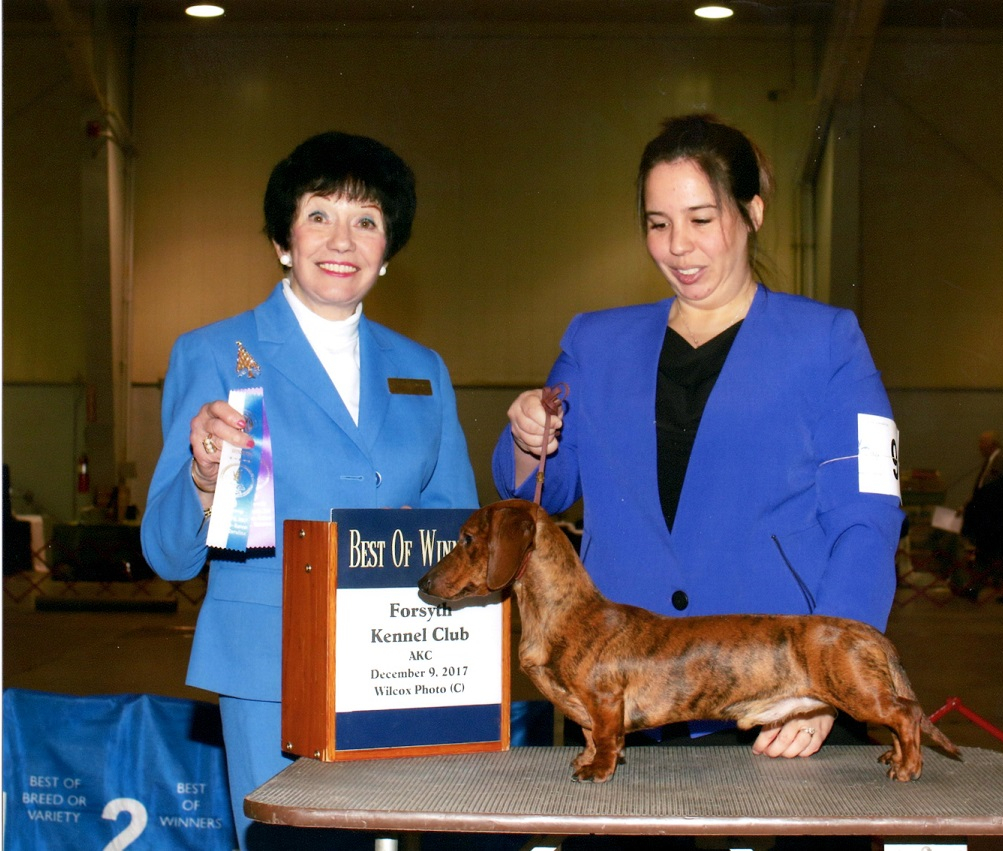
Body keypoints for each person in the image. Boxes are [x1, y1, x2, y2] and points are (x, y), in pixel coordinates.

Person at [493, 114, 904, 763]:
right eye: (657, 224)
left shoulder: (828, 341)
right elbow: (546, 483)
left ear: (753, 212)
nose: (677, 246)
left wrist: (824, 680)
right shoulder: (593, 342)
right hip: (622, 699)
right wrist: (527, 435)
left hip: (783, 703)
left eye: (701, 219)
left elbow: (866, 516)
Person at [141, 131, 477, 849]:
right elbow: (168, 555)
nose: (342, 239)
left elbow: (460, 532)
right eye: (319, 213)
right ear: (283, 239)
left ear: (388, 251)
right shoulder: (215, 352)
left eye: (367, 221)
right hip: (269, 668)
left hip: (401, 662)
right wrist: (204, 478)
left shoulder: (424, 369)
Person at [959, 430, 1003, 603]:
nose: (979, 446)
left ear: (992, 444)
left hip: (999, 519)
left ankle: (977, 590)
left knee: (995, 554)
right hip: (992, 519)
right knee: (999, 555)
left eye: (982, 442)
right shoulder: (990, 463)